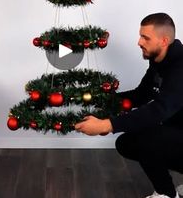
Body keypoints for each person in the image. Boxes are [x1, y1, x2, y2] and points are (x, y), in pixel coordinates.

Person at [75, 13, 183, 198]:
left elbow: (159, 109)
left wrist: (107, 125)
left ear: (164, 41)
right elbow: (140, 95)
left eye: (145, 37)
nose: (139, 42)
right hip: (178, 131)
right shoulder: (159, 61)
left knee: (144, 139)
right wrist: (102, 102)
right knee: (128, 143)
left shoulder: (180, 67)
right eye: (140, 36)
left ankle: (166, 194)